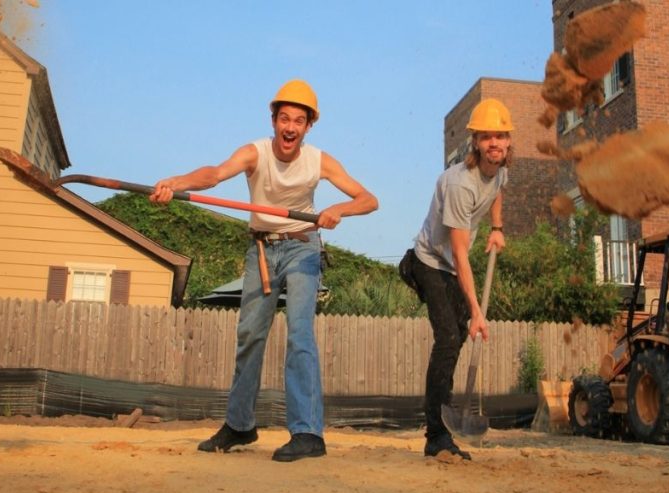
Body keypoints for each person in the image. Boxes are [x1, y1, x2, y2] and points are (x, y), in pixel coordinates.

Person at [150, 80, 378, 462]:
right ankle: (240, 426)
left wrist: (339, 209)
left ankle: (308, 434)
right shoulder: (255, 153)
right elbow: (215, 174)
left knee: (300, 333)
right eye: (284, 118)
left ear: (308, 127)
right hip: (261, 250)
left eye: (299, 121)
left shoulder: (319, 161)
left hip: (303, 247)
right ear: (273, 120)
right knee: (250, 336)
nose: (290, 127)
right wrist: (175, 182)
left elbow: (369, 199)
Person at [400, 98, 511, 460]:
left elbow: (497, 192)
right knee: (449, 337)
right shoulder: (460, 184)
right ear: (475, 143)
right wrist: (477, 311)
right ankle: (435, 435)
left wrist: (496, 228)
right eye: (486, 137)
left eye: (500, 136)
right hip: (428, 261)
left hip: (449, 265)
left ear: (508, 142)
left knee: (455, 337)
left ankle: (443, 427)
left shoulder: (500, 170)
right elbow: (461, 255)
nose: (494, 143)